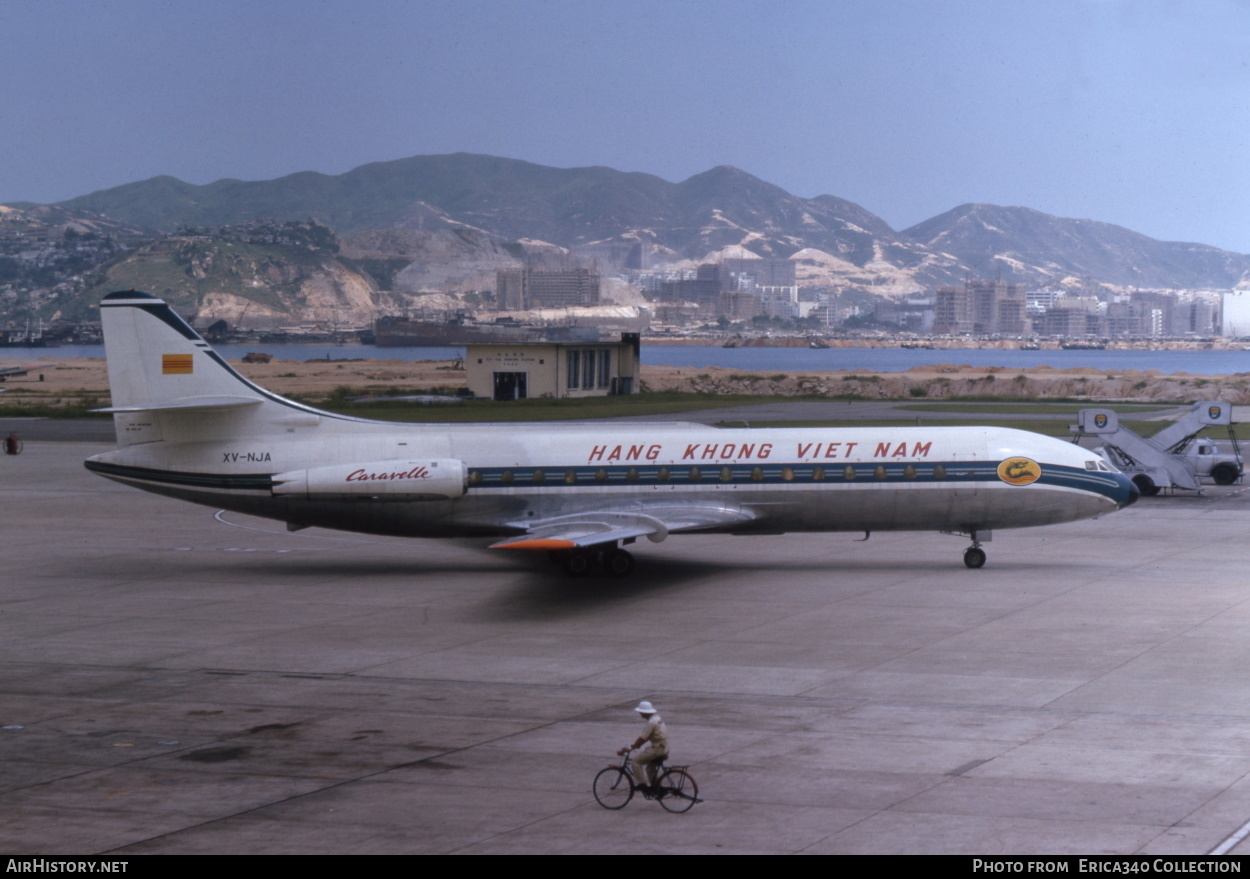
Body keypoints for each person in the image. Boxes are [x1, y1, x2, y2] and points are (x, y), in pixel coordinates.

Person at [617, 700, 669, 793]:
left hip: (657, 749)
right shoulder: (657, 718)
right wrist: (635, 746)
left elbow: (642, 738)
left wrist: (630, 749)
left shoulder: (651, 723)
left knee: (635, 762)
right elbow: (646, 738)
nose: (640, 713)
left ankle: (642, 784)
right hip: (664, 748)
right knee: (650, 768)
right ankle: (657, 789)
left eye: (641, 712)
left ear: (644, 712)